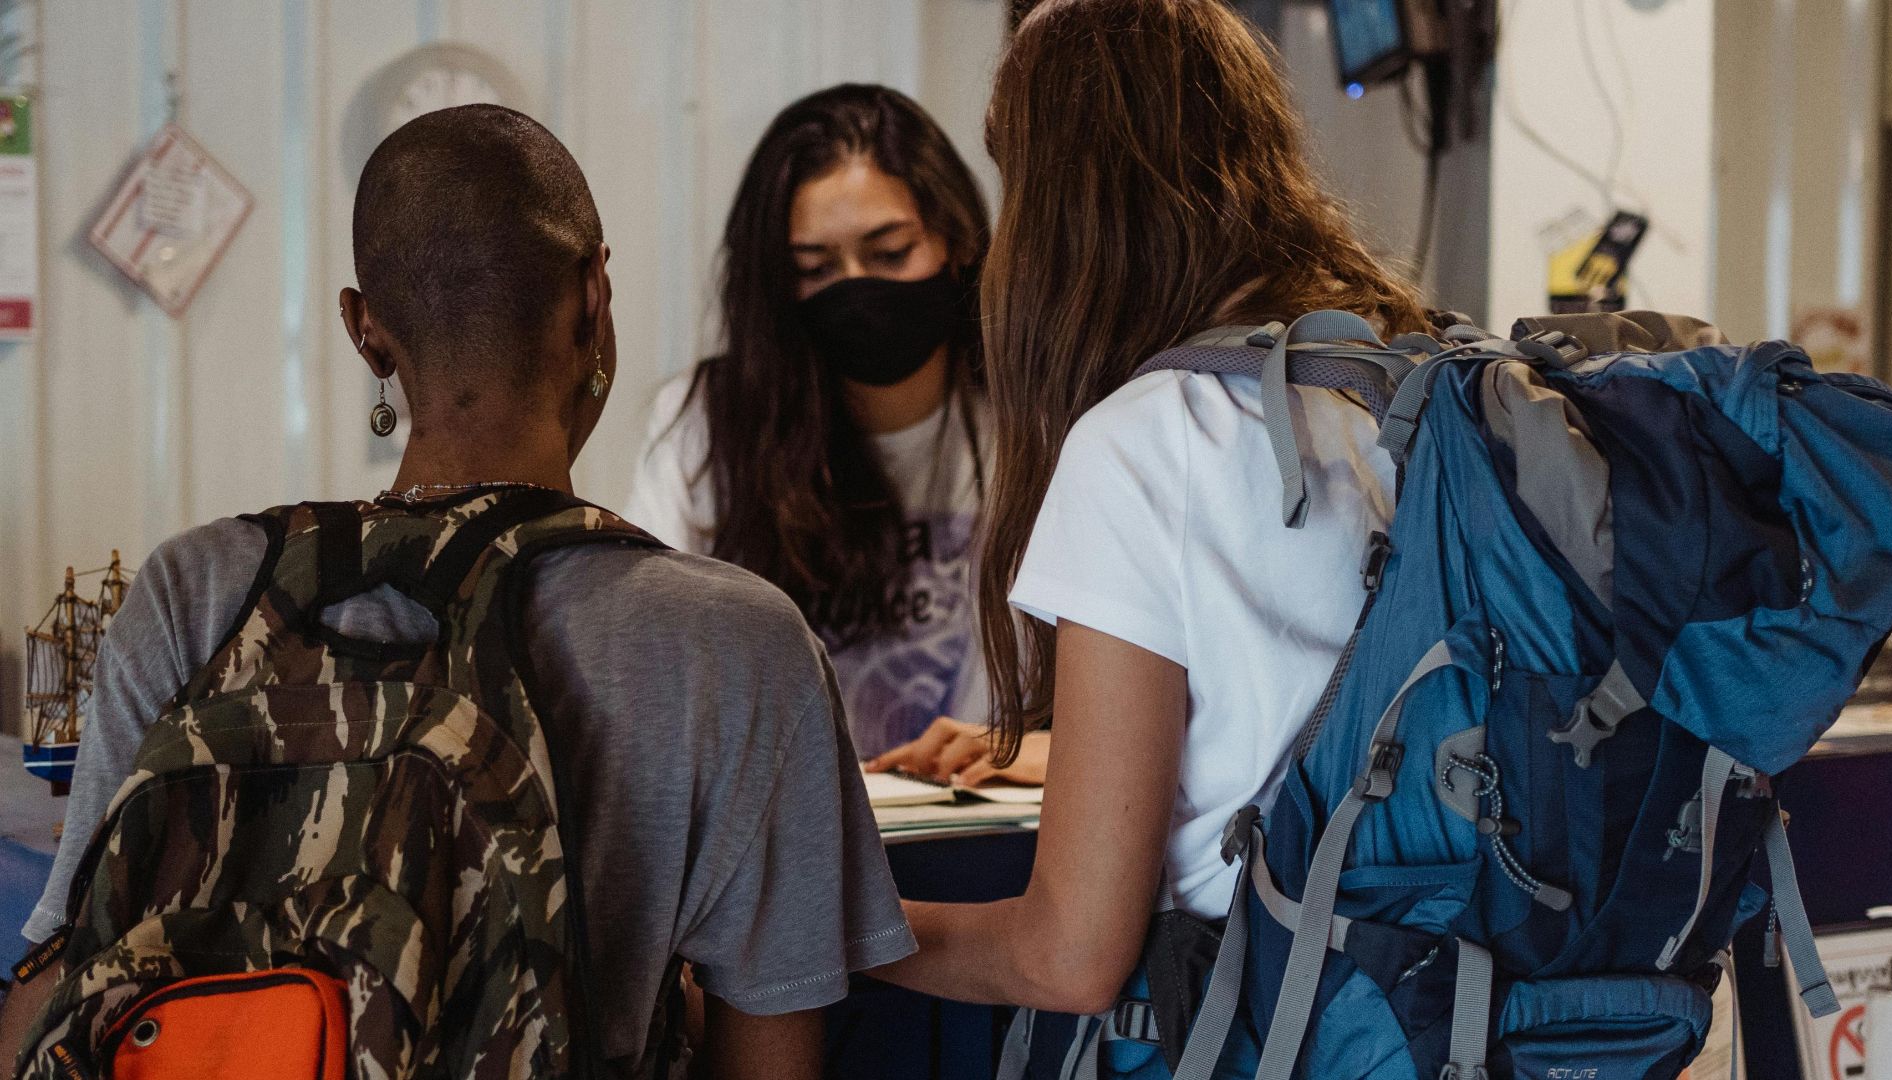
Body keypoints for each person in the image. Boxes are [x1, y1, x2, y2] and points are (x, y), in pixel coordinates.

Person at [0, 104, 913, 1080]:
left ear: (366, 332)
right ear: (594, 295)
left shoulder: (198, 590)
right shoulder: (738, 644)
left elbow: (66, 977)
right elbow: (769, 1061)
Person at [874, 0, 1429, 1043]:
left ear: (1062, 206)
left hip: (1279, 1032)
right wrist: (1077, 757)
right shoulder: (1407, 383)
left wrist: (842, 936)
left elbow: (1070, 955)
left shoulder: (1147, 439)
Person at [626, 84, 1038, 777]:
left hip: (978, 827)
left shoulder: (1032, 425)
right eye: (816, 270)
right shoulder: (708, 423)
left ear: (958, 240)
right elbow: (646, 652)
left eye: (889, 252)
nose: (857, 288)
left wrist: (1033, 747)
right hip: (779, 834)